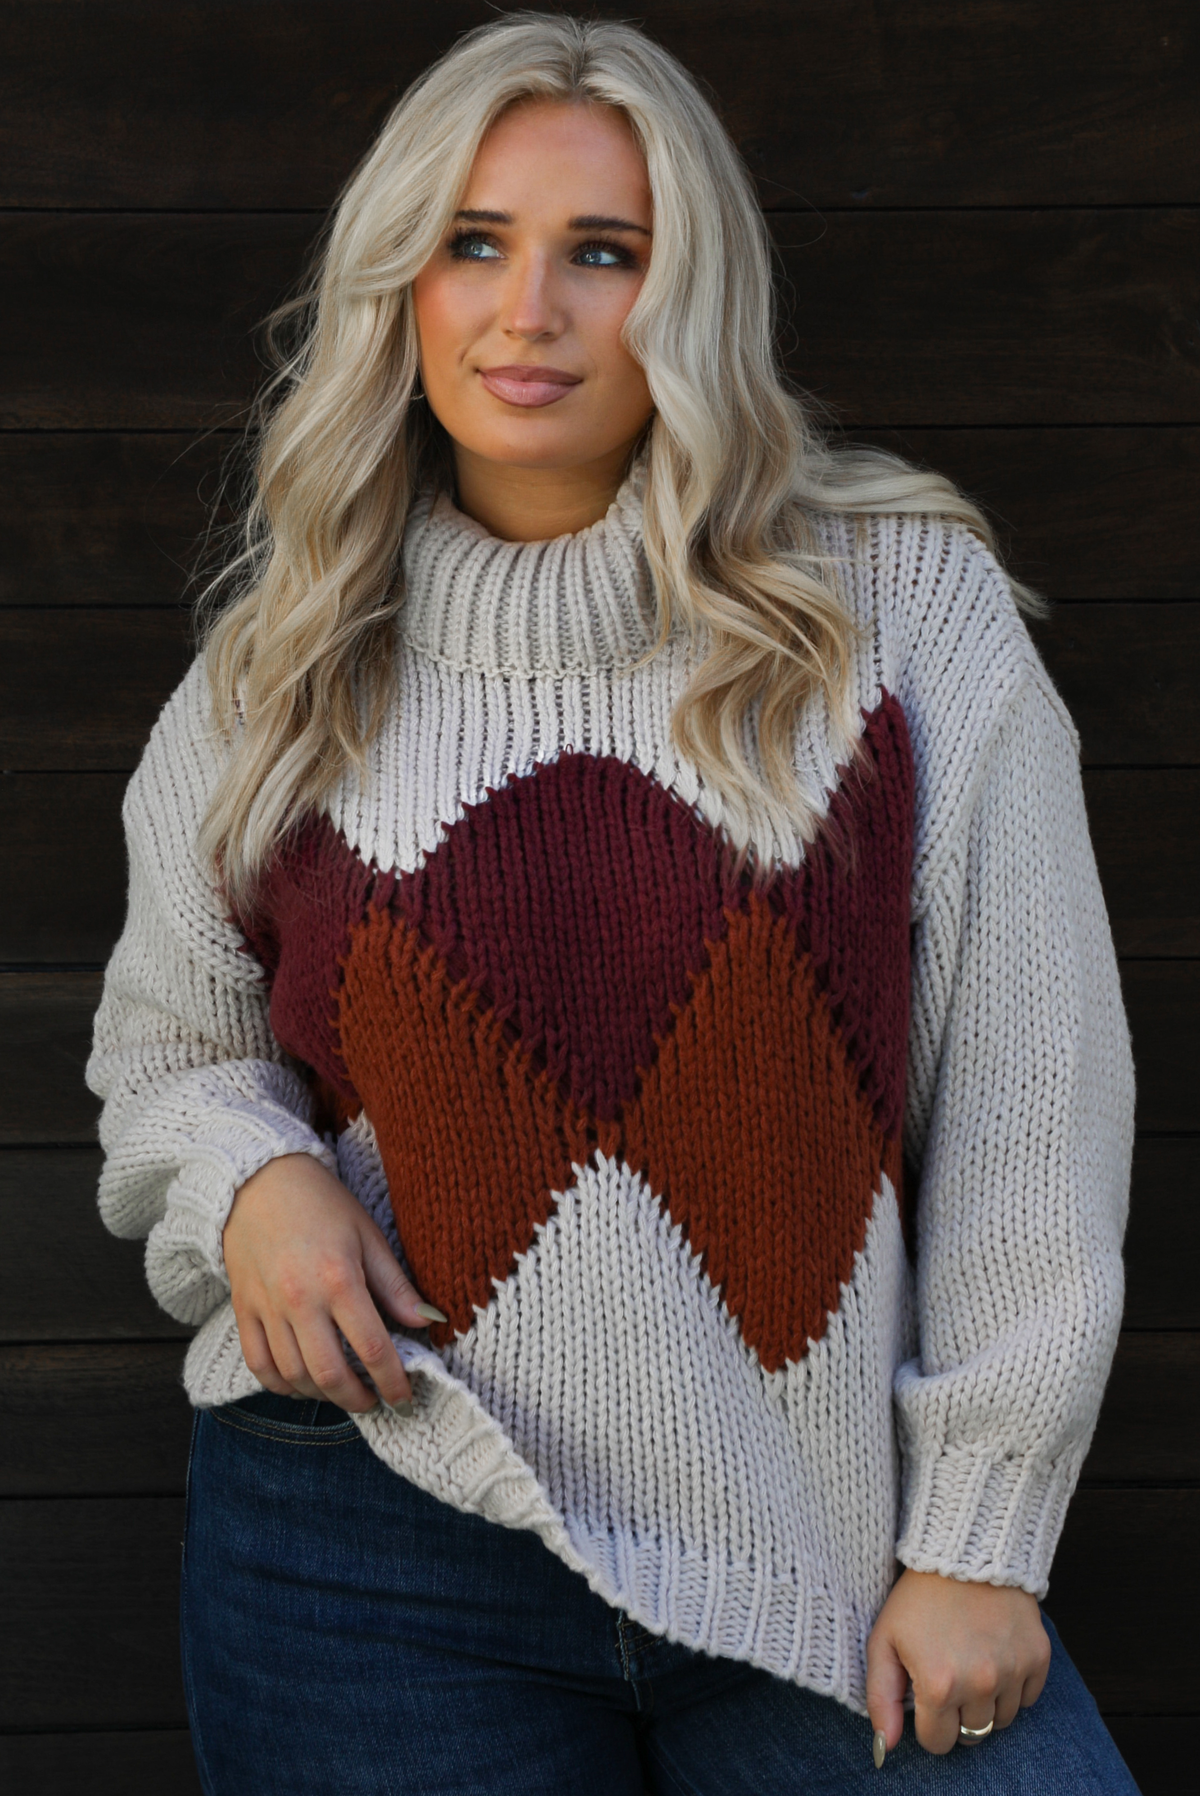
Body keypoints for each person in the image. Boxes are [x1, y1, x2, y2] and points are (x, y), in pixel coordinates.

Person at [87, 12, 1139, 1794]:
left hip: (819, 1534)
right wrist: (249, 1182)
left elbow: (1037, 1102)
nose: (528, 312)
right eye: (474, 245)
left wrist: (980, 1534)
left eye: (606, 253)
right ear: (398, 286)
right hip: (370, 1534)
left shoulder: (900, 622)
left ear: (691, 295)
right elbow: (167, 1046)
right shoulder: (281, 668)